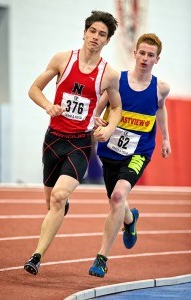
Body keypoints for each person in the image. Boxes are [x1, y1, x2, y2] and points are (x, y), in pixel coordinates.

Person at [23, 10, 122, 275]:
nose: (95, 37)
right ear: (85, 32)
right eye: (93, 31)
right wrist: (48, 106)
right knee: (52, 203)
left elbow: (117, 106)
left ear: (107, 41)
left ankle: (36, 256)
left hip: (80, 144)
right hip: (53, 140)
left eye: (102, 34)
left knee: (58, 196)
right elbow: (34, 88)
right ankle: (59, 205)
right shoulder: (62, 59)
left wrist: (110, 127)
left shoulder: (108, 74)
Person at [89, 33, 172, 278]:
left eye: (151, 55)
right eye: (142, 53)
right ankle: (130, 218)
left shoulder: (161, 88)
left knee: (117, 196)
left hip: (139, 151)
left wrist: (165, 138)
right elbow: (100, 106)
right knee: (117, 202)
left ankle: (101, 259)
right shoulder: (117, 81)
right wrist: (96, 123)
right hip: (110, 151)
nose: (145, 58)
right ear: (134, 53)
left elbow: (160, 109)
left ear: (157, 59)